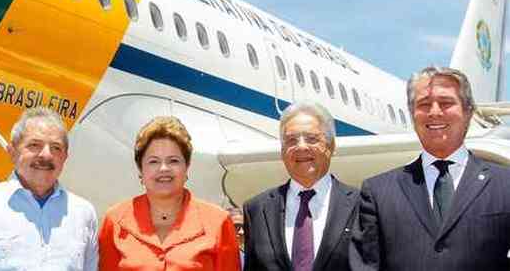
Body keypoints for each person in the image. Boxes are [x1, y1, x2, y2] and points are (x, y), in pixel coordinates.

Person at [350, 66, 510, 270]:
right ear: (412, 115)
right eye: (424, 104)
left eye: (446, 103)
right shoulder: (378, 193)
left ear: (468, 112)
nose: (434, 112)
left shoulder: (505, 185)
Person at [0, 107, 98, 271]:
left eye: (56, 148)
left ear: (65, 157)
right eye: (34, 145)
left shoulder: (83, 214)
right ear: (12, 152)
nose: (46, 155)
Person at [98, 116, 241, 271]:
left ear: (187, 167)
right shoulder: (115, 220)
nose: (164, 168)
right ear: (140, 170)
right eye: (154, 161)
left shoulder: (218, 222)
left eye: (173, 161)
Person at [243, 101, 359, 271]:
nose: (301, 146)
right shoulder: (256, 210)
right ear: (282, 151)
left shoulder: (362, 205)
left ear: (331, 146)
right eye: (291, 140)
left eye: (312, 139)